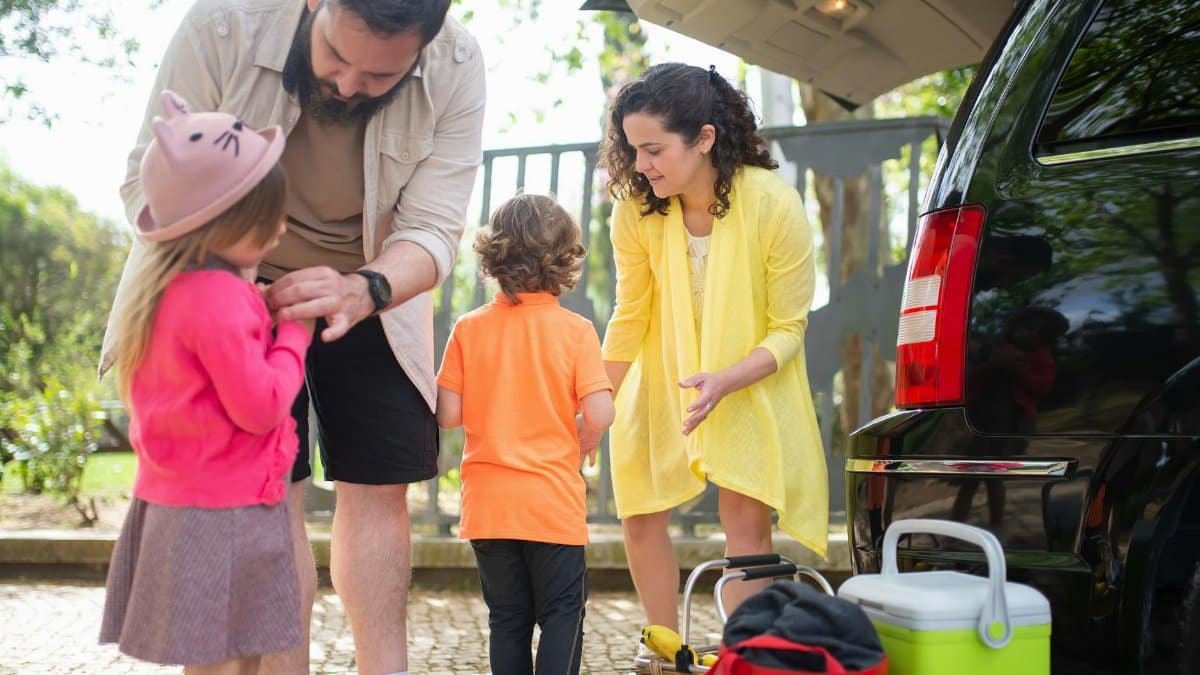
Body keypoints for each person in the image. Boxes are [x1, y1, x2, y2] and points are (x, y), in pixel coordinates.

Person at [99, 1, 485, 672]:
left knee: (382, 485)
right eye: (337, 56)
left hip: (372, 283)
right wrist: (231, 281)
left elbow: (432, 228)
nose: (346, 85)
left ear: (423, 48)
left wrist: (362, 289)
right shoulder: (222, 24)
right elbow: (145, 178)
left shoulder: (458, 65)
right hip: (221, 282)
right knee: (266, 490)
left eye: (380, 76)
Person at [596, 62, 829, 635]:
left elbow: (788, 329)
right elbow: (631, 314)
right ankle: (662, 648)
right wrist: (595, 398)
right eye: (632, 149)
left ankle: (750, 655)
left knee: (744, 519)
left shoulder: (773, 204)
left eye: (653, 149)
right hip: (664, 378)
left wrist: (726, 379)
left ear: (704, 138)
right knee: (640, 512)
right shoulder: (635, 212)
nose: (640, 164)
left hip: (747, 381)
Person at [99, 91, 311, 674]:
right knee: (228, 660)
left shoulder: (169, 293)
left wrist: (260, 312)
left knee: (216, 656)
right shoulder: (217, 300)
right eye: (267, 219)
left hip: (183, 504)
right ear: (220, 222)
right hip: (225, 514)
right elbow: (263, 405)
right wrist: (296, 333)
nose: (281, 228)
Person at [435, 194, 615, 675]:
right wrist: (584, 418)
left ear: (493, 257)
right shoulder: (576, 331)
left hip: (489, 506)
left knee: (508, 619)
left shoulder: (468, 329)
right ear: (565, 261)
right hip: (550, 504)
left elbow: (448, 415)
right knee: (561, 615)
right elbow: (601, 410)